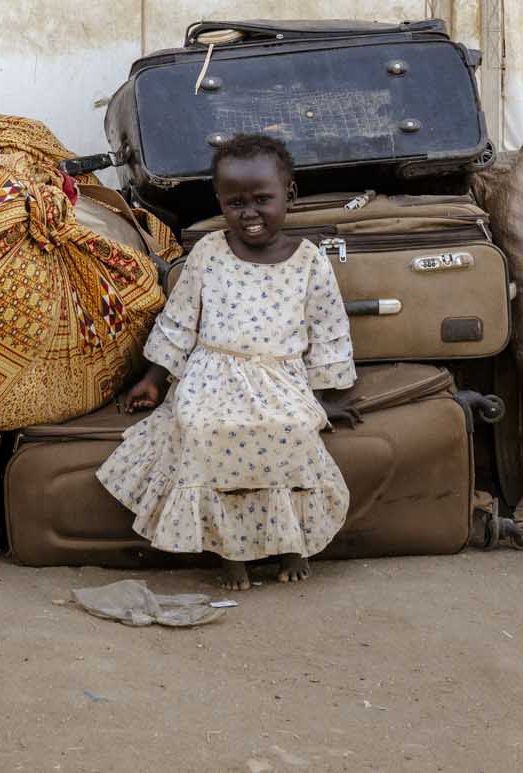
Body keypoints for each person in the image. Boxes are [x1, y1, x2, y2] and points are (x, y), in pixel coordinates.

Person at [97, 134, 357, 589]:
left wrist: (323, 399)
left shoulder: (310, 261)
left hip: (280, 377)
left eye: (262, 200)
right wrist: (156, 378)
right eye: (235, 203)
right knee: (201, 428)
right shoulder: (208, 252)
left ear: (290, 195)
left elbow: (329, 331)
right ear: (219, 201)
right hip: (213, 375)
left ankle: (291, 543)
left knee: (294, 428)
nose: (249, 213)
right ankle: (229, 551)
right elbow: (179, 321)